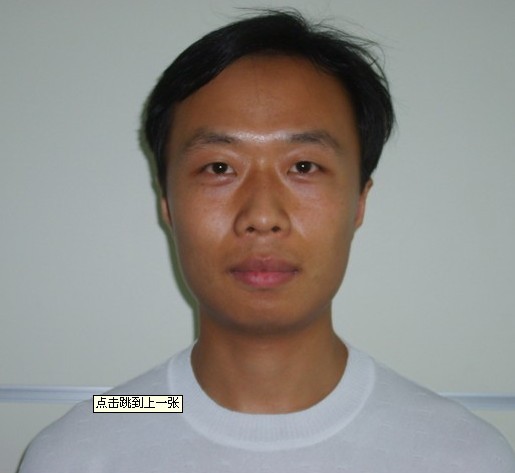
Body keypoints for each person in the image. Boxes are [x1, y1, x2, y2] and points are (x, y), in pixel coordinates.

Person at [19, 10, 515, 472]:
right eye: (219, 167)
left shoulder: (464, 454)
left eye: (304, 166)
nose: (261, 216)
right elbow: (146, 409)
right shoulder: (82, 449)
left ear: (359, 202)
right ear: (167, 204)